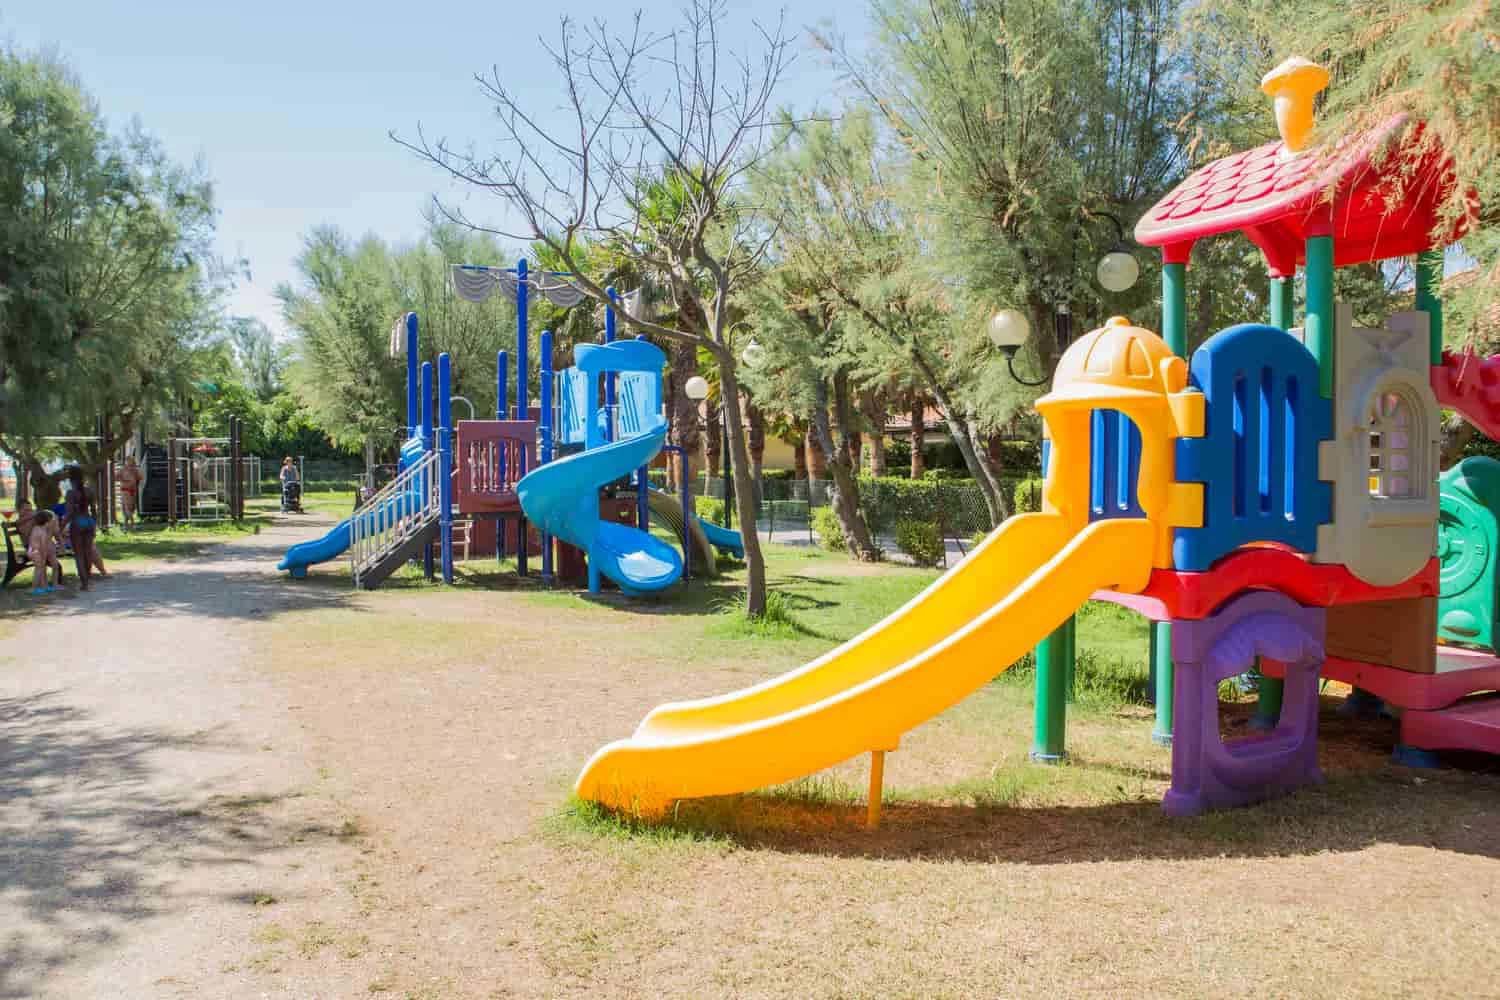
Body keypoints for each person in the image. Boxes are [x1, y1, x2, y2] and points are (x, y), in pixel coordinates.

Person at [63, 466, 104, 590]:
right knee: (88, 553)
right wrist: (94, 524)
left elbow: (69, 513)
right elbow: (94, 511)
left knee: (79, 555)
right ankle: (88, 579)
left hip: (77, 523)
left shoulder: (70, 493)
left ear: (70, 479)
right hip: (89, 521)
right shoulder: (89, 491)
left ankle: (84, 583)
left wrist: (61, 526)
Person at [27, 509, 62, 595]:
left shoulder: (35, 528)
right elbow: (43, 546)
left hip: (32, 550)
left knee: (39, 569)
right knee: (39, 570)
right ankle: (34, 589)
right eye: (51, 521)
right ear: (47, 522)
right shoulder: (43, 532)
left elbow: (32, 541)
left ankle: (42, 587)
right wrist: (43, 556)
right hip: (37, 552)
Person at [118, 456, 144, 530]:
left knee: (131, 508)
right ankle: (133, 524)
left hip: (133, 491)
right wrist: (124, 480)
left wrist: (135, 480)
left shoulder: (135, 470)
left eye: (131, 461)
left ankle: (125, 525)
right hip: (125, 491)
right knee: (127, 507)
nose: (129, 462)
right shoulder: (122, 470)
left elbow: (141, 477)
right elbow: (116, 477)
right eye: (128, 461)